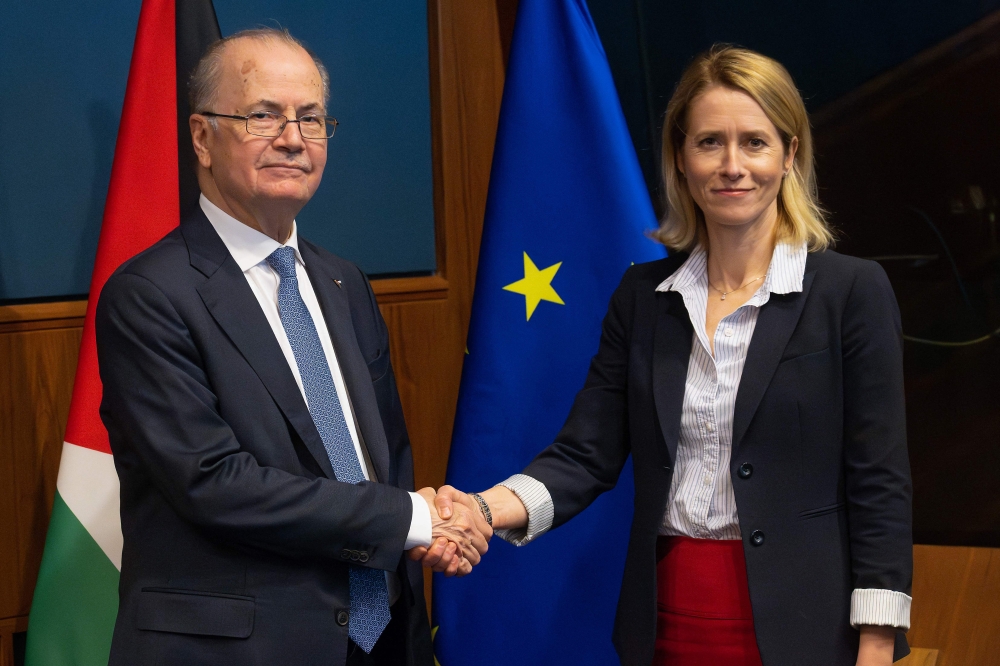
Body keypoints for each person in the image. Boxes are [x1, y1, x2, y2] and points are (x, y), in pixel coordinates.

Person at [429, 45, 913, 666]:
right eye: (710, 142)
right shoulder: (643, 298)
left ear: (790, 156)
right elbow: (585, 455)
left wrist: (875, 644)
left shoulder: (851, 292)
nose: (733, 165)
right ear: (681, 160)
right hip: (668, 620)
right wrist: (476, 511)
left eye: (755, 143)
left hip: (811, 629)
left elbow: (880, 480)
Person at [96, 28, 489, 666]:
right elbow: (213, 482)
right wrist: (410, 520)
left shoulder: (344, 282)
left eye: (310, 118)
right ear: (201, 136)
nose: (292, 138)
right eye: (263, 115)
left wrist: (419, 529)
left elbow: (383, 460)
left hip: (383, 638)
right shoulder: (149, 295)